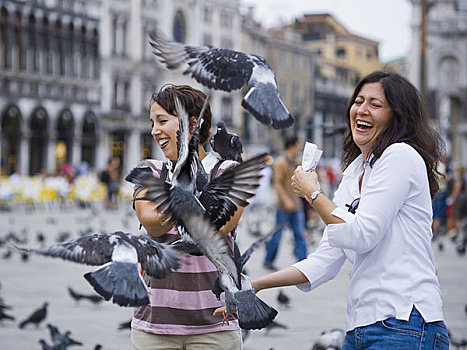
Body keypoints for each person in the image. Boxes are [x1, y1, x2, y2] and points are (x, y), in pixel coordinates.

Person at [217, 70, 449, 349]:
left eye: (375, 105)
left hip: (405, 321)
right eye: (358, 101)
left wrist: (313, 194)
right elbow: (325, 260)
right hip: (362, 326)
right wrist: (253, 286)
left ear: (397, 116)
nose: (361, 110)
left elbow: (362, 235)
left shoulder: (400, 156)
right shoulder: (354, 172)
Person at [130, 84, 243, 350]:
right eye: (152, 122)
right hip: (154, 325)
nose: (154, 131)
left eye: (162, 121)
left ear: (191, 123)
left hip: (215, 326)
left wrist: (174, 201)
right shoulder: (150, 170)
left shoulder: (226, 171)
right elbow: (151, 222)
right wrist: (190, 199)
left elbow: (220, 226)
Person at [263, 135, 308, 271]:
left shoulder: (295, 162)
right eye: (298, 145)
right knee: (277, 236)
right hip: (283, 207)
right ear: (292, 146)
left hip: (296, 206)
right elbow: (277, 183)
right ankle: (268, 260)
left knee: (299, 235)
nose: (299, 148)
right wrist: (286, 201)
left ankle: (304, 263)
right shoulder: (280, 162)